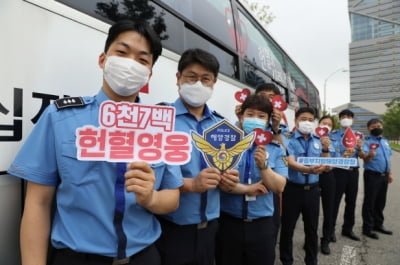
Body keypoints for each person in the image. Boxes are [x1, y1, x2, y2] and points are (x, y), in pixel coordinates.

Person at [7, 20, 182, 265]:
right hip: (77, 258)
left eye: (142, 60)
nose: (130, 64)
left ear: (149, 75)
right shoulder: (60, 118)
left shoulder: (161, 127)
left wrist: (150, 198)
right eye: (121, 53)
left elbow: (172, 198)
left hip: (145, 257)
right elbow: (38, 202)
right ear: (103, 59)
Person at [155, 48, 239, 265]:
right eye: (191, 77)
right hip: (171, 228)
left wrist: (229, 181)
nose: (198, 84)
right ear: (178, 78)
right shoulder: (159, 119)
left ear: (214, 83)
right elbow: (149, 176)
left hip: (211, 228)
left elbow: (225, 167)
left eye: (205, 79)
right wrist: (191, 184)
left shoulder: (221, 126)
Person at [215, 94, 287, 265]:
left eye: (261, 116)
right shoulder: (226, 144)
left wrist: (264, 166)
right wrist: (246, 189)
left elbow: (279, 186)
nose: (255, 119)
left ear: (269, 120)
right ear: (241, 116)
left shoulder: (277, 148)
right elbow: (220, 180)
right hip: (228, 222)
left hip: (261, 225)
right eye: (250, 114)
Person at [279, 107, 330, 265]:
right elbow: (291, 162)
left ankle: (311, 260)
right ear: (296, 121)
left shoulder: (319, 140)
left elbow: (326, 163)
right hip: (292, 189)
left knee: (312, 229)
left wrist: (326, 149)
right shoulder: (288, 139)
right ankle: (286, 261)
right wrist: (308, 169)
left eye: (310, 119)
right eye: (303, 119)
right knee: (287, 229)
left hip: (313, 191)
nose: (307, 122)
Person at [331, 109, 363, 241]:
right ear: (339, 119)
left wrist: (360, 148)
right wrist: (343, 155)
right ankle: (330, 229)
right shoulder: (333, 135)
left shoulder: (358, 135)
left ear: (353, 120)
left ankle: (348, 229)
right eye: (343, 116)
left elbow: (362, 155)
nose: (346, 118)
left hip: (353, 172)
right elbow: (332, 154)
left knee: (351, 202)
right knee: (334, 202)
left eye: (349, 117)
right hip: (338, 171)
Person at [359, 118, 393, 239]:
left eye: (378, 125)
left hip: (384, 176)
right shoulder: (366, 141)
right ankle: (367, 228)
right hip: (372, 175)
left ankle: (378, 224)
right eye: (373, 126)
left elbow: (388, 158)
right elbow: (365, 158)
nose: (376, 128)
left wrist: (389, 173)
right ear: (369, 129)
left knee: (380, 201)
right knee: (370, 202)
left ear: (382, 127)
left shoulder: (385, 141)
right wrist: (369, 155)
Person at [317, 115, 339, 255]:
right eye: (323, 123)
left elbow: (334, 162)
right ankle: (310, 240)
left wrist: (326, 148)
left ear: (332, 128)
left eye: (329, 124)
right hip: (311, 176)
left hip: (328, 176)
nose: (326, 126)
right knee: (310, 213)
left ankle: (325, 240)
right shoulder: (311, 138)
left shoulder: (334, 142)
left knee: (329, 210)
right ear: (318, 124)